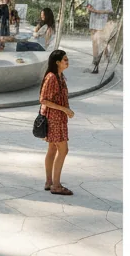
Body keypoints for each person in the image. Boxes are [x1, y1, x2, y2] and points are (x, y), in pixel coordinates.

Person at [39, 50, 74, 195]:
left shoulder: (60, 76)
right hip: (54, 119)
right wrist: (64, 109)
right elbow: (43, 100)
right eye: (65, 59)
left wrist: (66, 110)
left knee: (52, 149)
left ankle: (49, 182)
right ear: (57, 62)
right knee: (63, 150)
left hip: (58, 118)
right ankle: (56, 185)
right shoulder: (52, 77)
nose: (67, 61)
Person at [83, 0, 112, 74]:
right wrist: (89, 7)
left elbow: (109, 10)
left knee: (102, 42)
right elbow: (86, 4)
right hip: (93, 23)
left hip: (101, 24)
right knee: (94, 43)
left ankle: (106, 57)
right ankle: (95, 63)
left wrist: (97, 11)